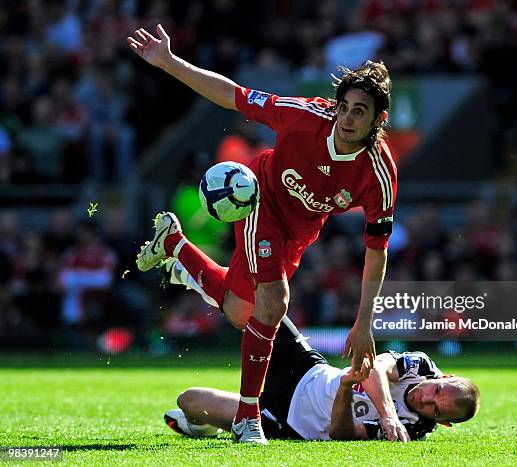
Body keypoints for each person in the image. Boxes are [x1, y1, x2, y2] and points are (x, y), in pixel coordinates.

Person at [128, 24, 397, 444]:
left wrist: (364, 323)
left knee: (242, 312)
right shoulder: (303, 115)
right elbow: (233, 95)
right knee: (274, 302)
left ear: (378, 119)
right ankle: (247, 418)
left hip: (299, 232)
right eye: (343, 106)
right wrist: (168, 62)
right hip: (258, 197)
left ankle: (175, 246)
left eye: (359, 111)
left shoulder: (379, 175)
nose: (346, 117)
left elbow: (376, 251)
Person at [163, 315, 480, 442]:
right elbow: (376, 369)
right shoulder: (422, 366)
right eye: (436, 389)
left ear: (444, 423)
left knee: (188, 400)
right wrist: (387, 415)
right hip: (307, 369)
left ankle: (205, 424)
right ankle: (185, 262)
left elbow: (340, 434)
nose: (424, 398)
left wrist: (345, 390)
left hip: (288, 423)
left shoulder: (415, 427)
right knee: (263, 303)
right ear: (444, 376)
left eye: (436, 409)